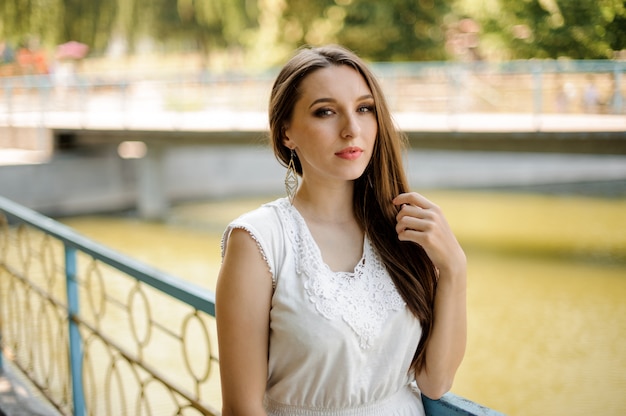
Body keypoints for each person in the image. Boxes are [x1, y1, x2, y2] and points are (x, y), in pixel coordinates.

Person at [216, 44, 467, 416]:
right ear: (286, 132)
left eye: (364, 109)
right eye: (326, 112)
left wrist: (454, 268)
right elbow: (241, 410)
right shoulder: (258, 241)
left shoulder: (401, 228)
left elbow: (436, 381)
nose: (352, 129)